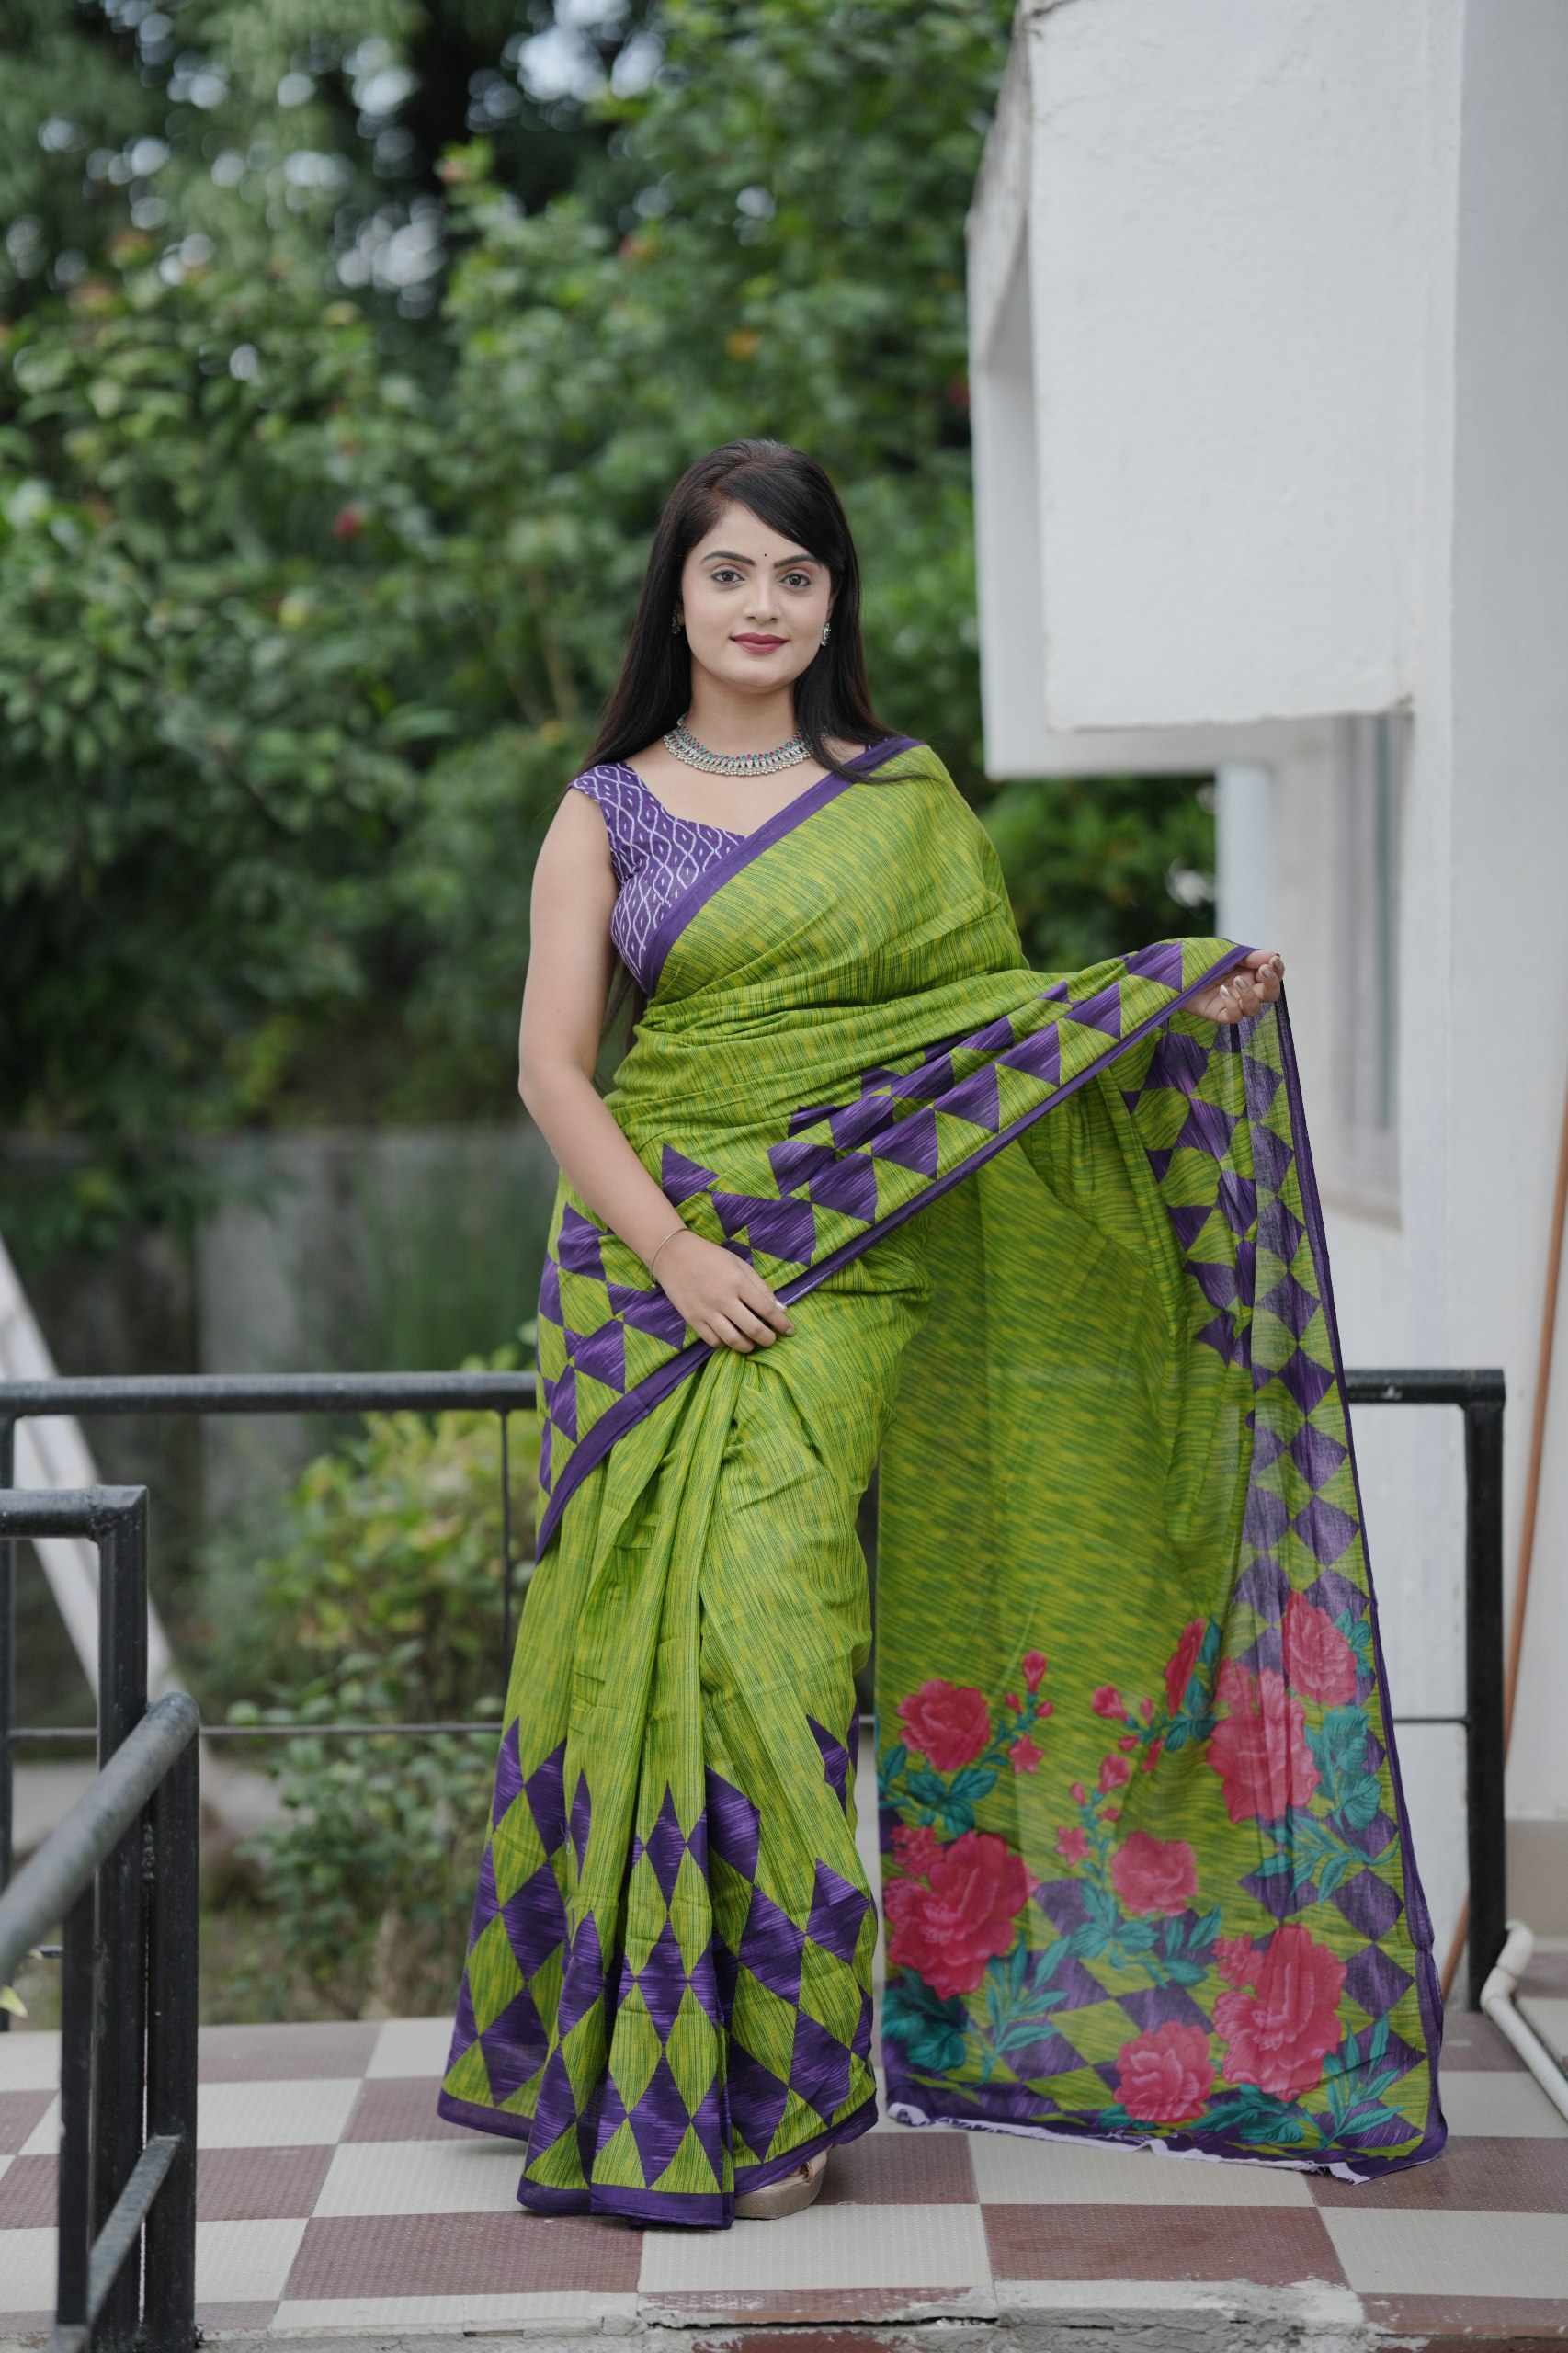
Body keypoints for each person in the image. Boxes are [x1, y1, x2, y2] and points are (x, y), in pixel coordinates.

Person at [436, 438, 1446, 2228]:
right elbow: (550, 1069)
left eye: (795, 575)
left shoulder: (901, 802)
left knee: (770, 1652)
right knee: (642, 1663)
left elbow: (984, 1033)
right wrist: (672, 1249)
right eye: (730, 572)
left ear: (834, 604)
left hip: (841, 1277)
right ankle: (674, 2073)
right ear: (678, 595)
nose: (762, 604)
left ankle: (784, 2086)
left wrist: (1164, 1003)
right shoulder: (605, 811)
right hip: (646, 1286)